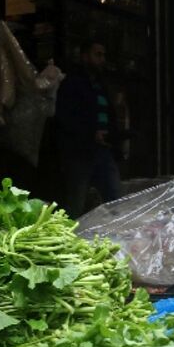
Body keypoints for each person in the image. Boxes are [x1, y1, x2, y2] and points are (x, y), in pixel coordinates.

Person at [54, 41, 124, 216]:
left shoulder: (101, 85)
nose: (102, 59)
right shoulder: (73, 83)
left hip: (103, 150)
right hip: (80, 152)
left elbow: (109, 117)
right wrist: (90, 134)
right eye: (97, 55)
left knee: (116, 198)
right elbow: (66, 118)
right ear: (85, 56)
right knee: (75, 203)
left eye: (103, 55)